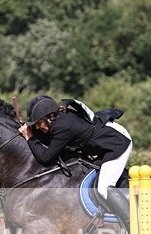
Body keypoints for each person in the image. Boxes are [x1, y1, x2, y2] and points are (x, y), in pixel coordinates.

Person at [18, 95, 133, 226]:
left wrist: (29, 137)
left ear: (49, 118)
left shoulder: (63, 127)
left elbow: (46, 158)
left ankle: (133, 225)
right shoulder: (57, 121)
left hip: (117, 144)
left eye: (39, 123)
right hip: (106, 143)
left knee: (103, 188)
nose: (37, 127)